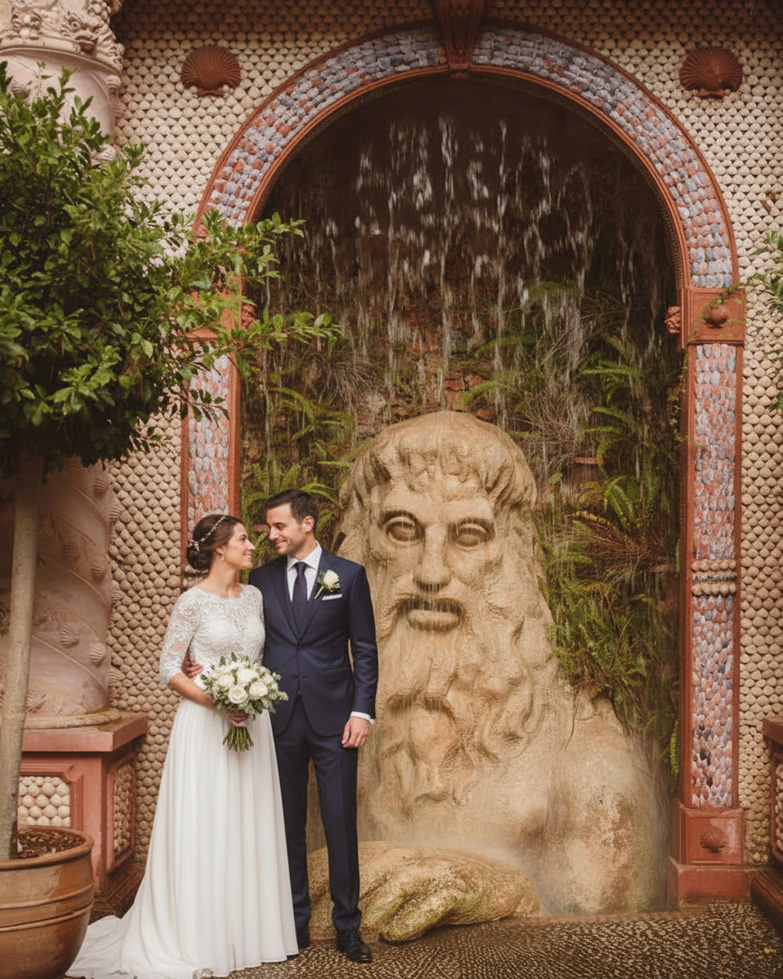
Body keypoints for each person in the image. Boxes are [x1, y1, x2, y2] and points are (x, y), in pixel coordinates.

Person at [68, 514, 297, 979]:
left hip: (254, 726)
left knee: (246, 821)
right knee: (208, 819)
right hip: (205, 726)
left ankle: (247, 932)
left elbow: (259, 656)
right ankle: (198, 934)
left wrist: (249, 695)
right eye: (242, 540)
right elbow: (169, 667)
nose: (252, 546)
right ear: (219, 549)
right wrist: (216, 699)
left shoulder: (254, 597)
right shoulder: (191, 602)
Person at [251, 489, 378, 963]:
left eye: (279, 526)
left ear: (307, 523)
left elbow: (364, 647)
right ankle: (295, 923)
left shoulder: (348, 576)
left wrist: (361, 711)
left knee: (340, 822)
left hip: (335, 719)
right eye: (268, 527)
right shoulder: (259, 579)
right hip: (277, 718)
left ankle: (348, 927)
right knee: (286, 825)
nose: (272, 535)